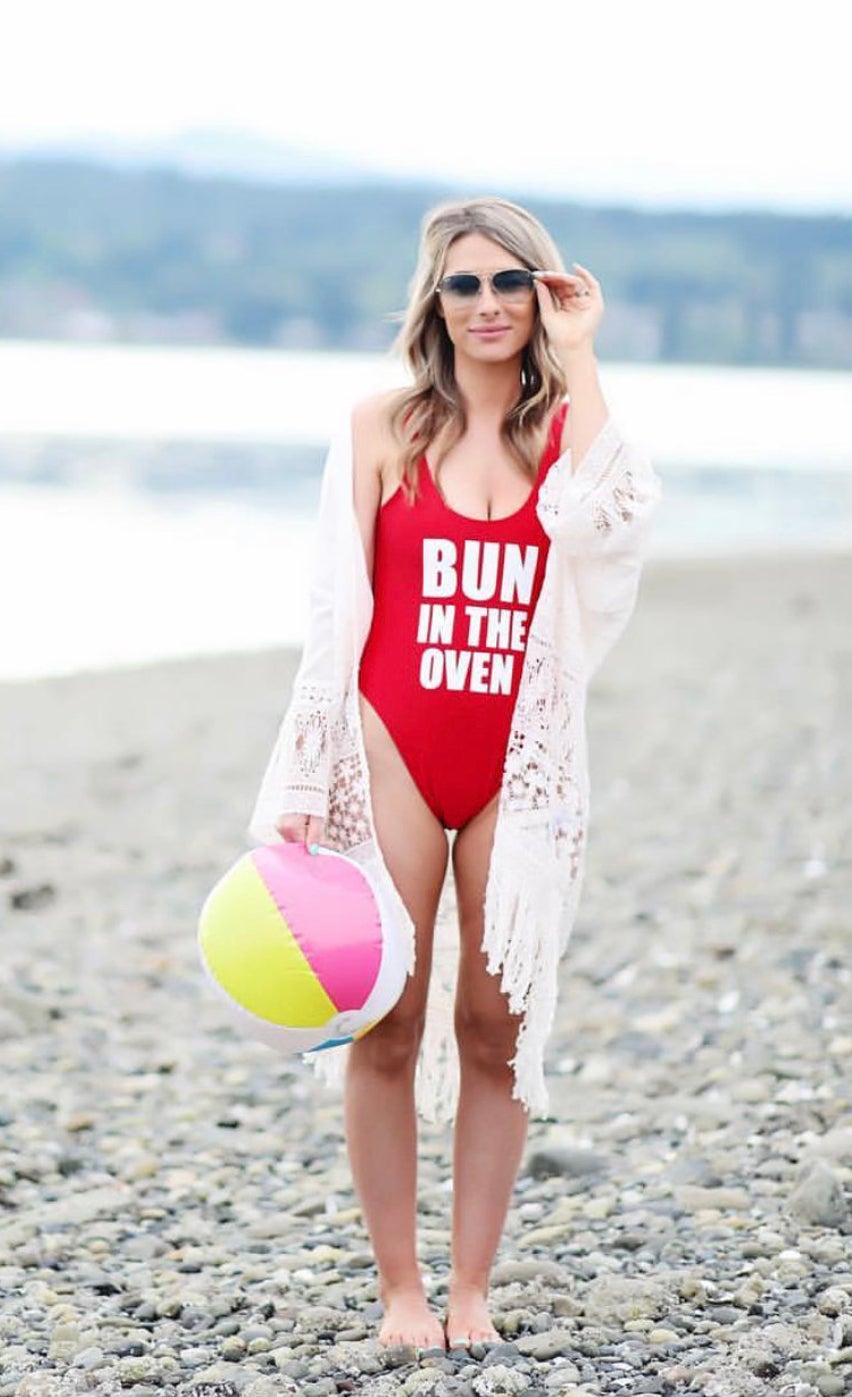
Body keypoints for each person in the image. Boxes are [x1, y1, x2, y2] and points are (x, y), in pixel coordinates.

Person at [247, 196, 662, 1354]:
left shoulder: (564, 435)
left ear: (544, 293)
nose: (487, 304)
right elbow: (335, 609)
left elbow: (610, 523)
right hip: (391, 744)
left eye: (510, 282)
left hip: (519, 759)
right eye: (464, 283)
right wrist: (302, 769)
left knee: (495, 1023)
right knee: (384, 1019)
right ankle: (401, 1292)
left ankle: (471, 1285)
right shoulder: (382, 425)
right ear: (435, 298)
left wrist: (579, 361)